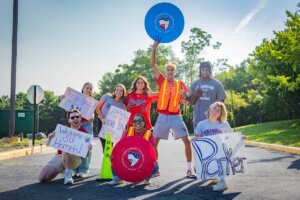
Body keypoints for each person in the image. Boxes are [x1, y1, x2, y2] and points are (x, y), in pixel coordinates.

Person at [151, 40, 196, 178]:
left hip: (176, 116)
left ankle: (189, 169)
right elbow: (153, 65)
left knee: (187, 141)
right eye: (168, 70)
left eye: (172, 70)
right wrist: (154, 48)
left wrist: (184, 96)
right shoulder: (161, 80)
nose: (170, 72)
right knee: (154, 142)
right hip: (162, 117)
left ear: (175, 71)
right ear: (166, 71)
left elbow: (185, 102)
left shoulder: (180, 83)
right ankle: (155, 168)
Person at [38, 109, 92, 185]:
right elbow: (47, 144)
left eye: (77, 116)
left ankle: (68, 173)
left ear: (80, 118)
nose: (75, 119)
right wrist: (49, 138)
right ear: (69, 120)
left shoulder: (84, 134)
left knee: (68, 149)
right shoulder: (62, 130)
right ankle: (62, 170)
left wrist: (89, 150)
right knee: (42, 178)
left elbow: (86, 156)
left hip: (75, 158)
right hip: (60, 156)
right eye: (72, 118)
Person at [108, 114, 159, 186]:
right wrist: (114, 155)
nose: (137, 123)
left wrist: (155, 160)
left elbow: (153, 150)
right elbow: (120, 146)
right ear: (132, 123)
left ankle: (146, 178)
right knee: (113, 158)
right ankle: (117, 179)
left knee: (155, 166)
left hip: (143, 160)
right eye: (134, 121)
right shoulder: (128, 131)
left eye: (140, 120)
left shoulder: (149, 134)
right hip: (128, 158)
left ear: (144, 122)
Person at [192, 102, 232, 191]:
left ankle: (223, 182)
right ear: (210, 109)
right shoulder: (201, 124)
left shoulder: (224, 124)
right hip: (207, 153)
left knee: (221, 158)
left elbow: (231, 137)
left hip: (221, 152)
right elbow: (198, 138)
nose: (215, 111)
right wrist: (195, 139)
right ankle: (215, 176)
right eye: (214, 108)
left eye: (218, 110)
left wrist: (240, 138)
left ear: (221, 114)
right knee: (197, 167)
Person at [188, 61, 226, 132]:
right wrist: (196, 94)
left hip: (213, 121)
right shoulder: (195, 84)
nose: (205, 71)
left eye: (207, 70)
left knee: (214, 142)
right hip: (198, 120)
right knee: (199, 142)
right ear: (200, 71)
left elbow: (221, 104)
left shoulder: (217, 84)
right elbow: (190, 102)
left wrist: (217, 116)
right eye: (203, 69)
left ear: (210, 71)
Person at [96, 83, 127, 151]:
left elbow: (123, 120)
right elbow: (97, 108)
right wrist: (102, 118)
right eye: (117, 90)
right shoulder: (106, 97)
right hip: (101, 123)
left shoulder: (123, 106)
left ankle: (108, 161)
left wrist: (123, 129)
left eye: (121, 91)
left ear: (123, 93)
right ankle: (108, 160)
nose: (119, 92)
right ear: (114, 91)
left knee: (109, 148)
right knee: (104, 146)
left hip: (112, 128)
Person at [74, 82, 94, 178]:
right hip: (76, 124)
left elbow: (92, 117)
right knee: (76, 147)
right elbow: (68, 110)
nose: (89, 90)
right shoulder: (76, 99)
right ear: (83, 89)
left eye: (91, 89)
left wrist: (89, 117)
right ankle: (76, 169)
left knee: (86, 147)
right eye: (87, 88)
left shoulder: (92, 101)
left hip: (87, 125)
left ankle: (83, 170)